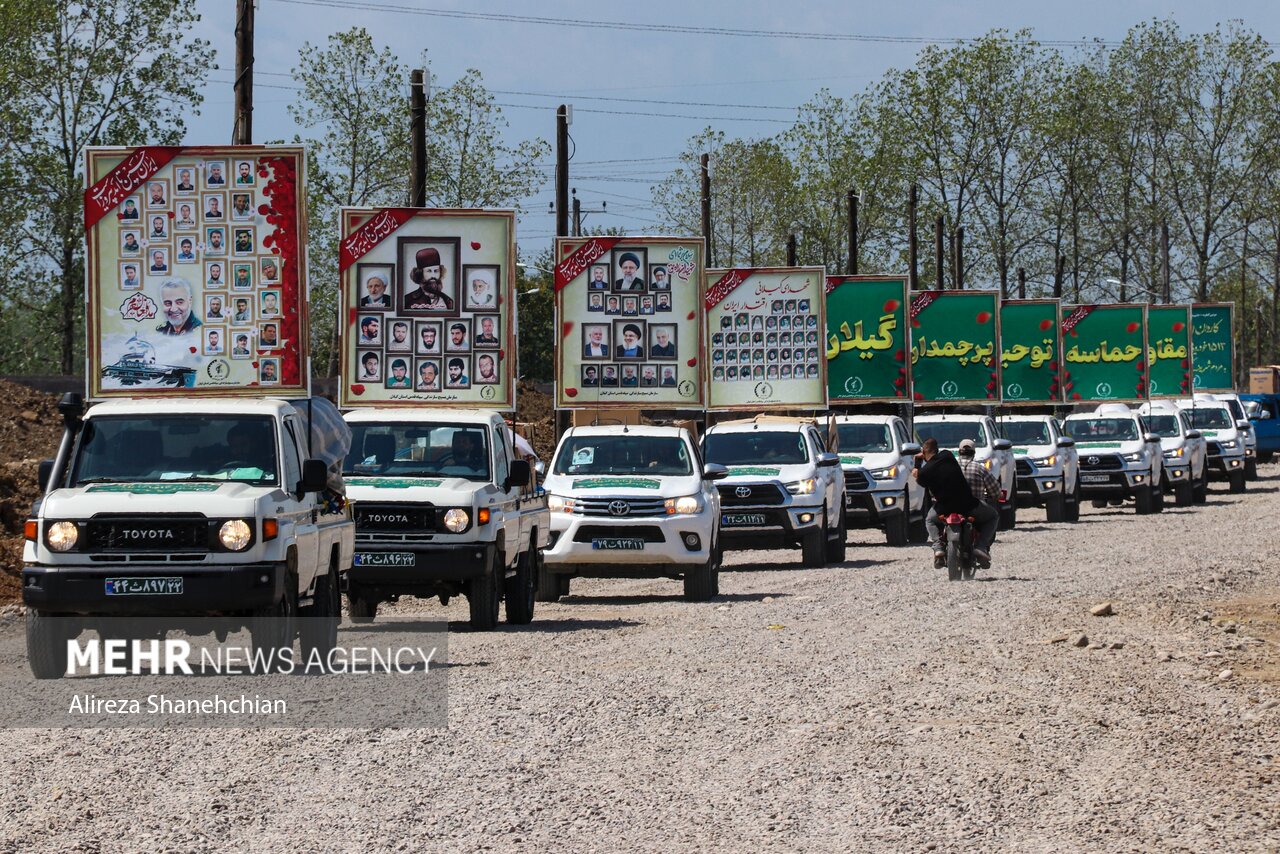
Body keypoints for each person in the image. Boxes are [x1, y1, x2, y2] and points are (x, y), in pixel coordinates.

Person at [913, 437, 998, 569]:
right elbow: (995, 490)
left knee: (929, 520)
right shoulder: (947, 455)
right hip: (968, 504)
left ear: (923, 453)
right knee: (993, 516)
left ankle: (938, 547)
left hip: (944, 508)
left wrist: (917, 465)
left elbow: (919, 479)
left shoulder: (924, 473)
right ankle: (981, 546)